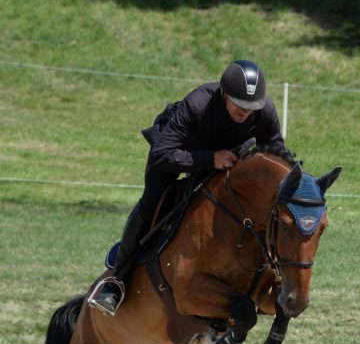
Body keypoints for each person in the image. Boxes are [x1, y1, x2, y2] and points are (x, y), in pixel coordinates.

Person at [88, 59, 288, 316]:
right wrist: (211, 159)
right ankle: (116, 281)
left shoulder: (264, 110)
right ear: (224, 94)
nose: (245, 112)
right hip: (175, 155)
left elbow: (276, 155)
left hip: (223, 162)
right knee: (152, 204)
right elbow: (161, 154)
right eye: (239, 104)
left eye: (251, 107)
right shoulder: (198, 104)